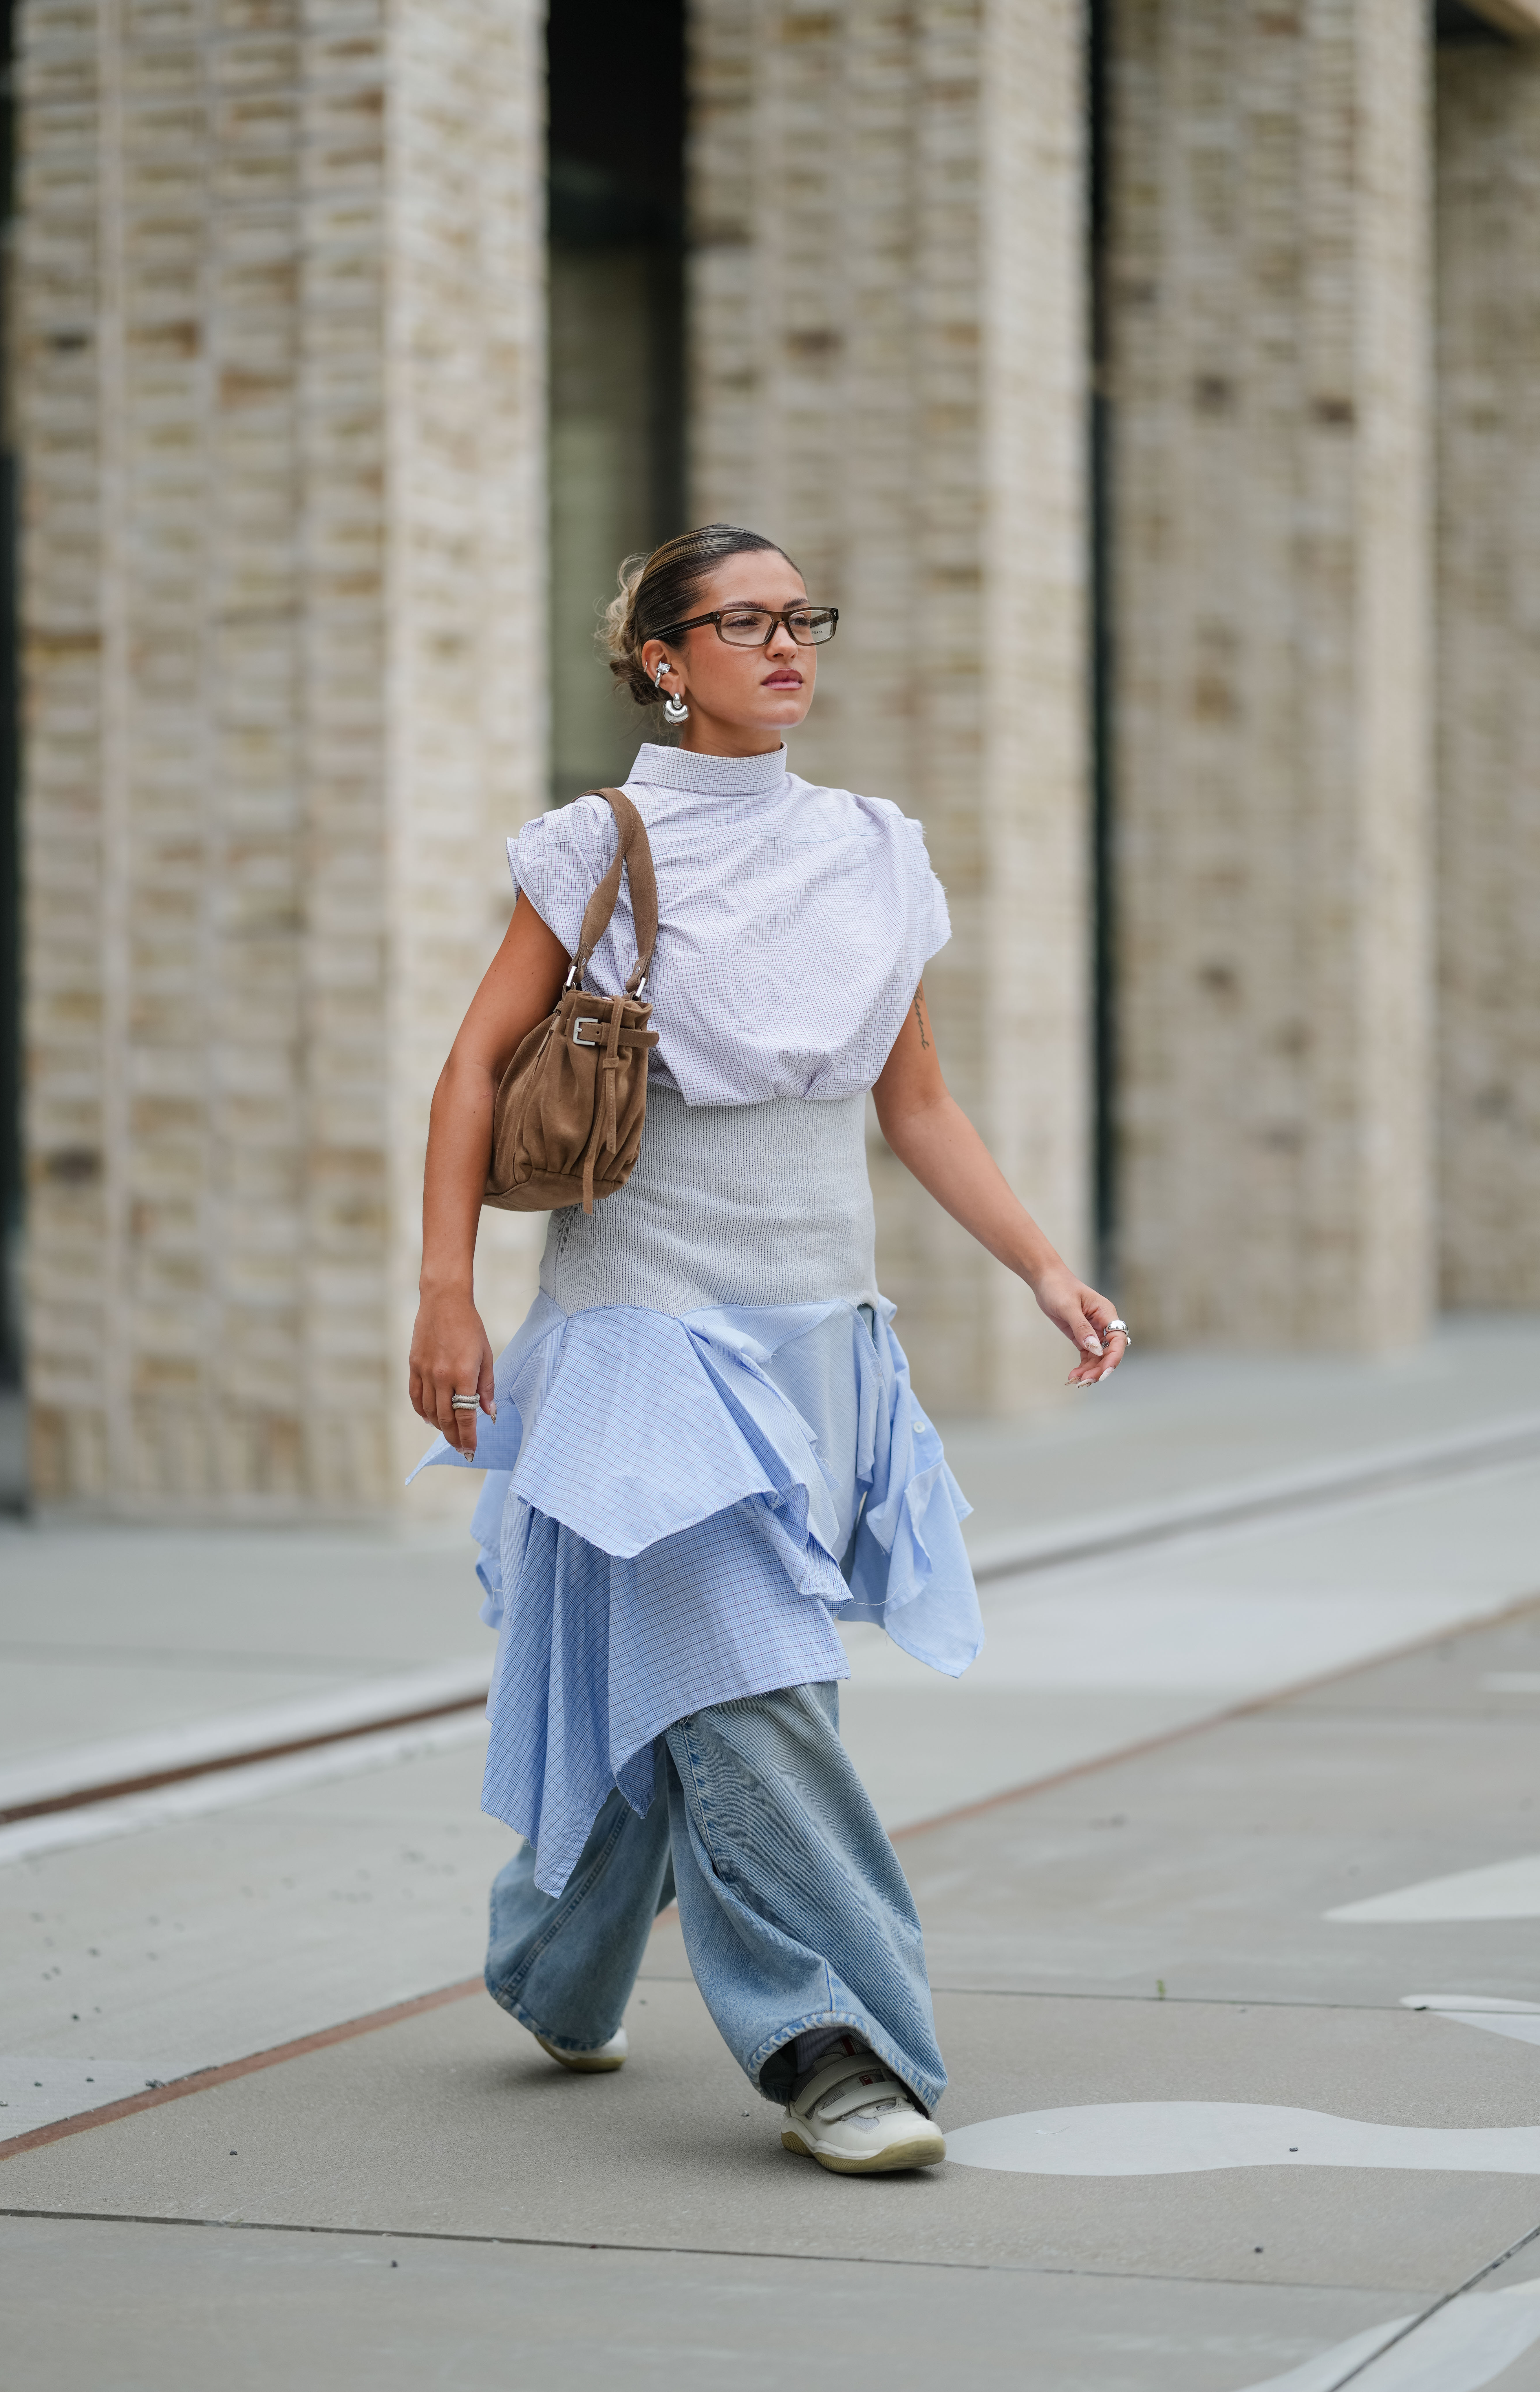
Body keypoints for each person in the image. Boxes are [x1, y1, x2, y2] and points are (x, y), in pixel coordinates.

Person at [408, 523, 1129, 2175]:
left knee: (696, 1691)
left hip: (817, 1330)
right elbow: (473, 1068)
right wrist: (445, 1291)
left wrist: (1039, 1264)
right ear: (662, 658)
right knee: (755, 1694)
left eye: (802, 615)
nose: (786, 643)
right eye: (743, 621)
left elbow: (916, 1097)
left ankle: (551, 1957)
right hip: (639, 1330)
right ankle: (838, 2043)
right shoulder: (598, 842)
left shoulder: (875, 848)